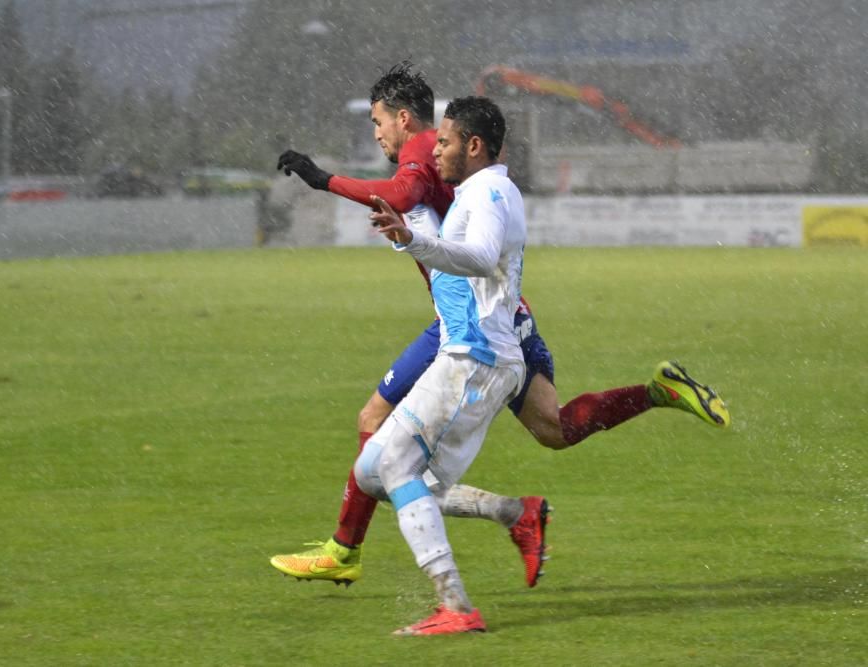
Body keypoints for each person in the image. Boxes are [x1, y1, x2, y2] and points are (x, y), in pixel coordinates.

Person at [271, 62, 729, 591]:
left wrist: (321, 179)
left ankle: (348, 549)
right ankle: (635, 411)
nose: (376, 134)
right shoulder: (432, 156)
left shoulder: (421, 149)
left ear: (404, 119)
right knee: (550, 429)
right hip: (471, 320)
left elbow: (398, 199)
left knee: (382, 428)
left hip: (482, 324)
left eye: (378, 122)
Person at [357, 95, 531, 634]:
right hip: (464, 356)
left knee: (396, 469)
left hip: (475, 360)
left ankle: (456, 606)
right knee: (373, 473)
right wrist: (413, 232)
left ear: (474, 147)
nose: (437, 150)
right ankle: (511, 512)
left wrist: (413, 239)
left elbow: (479, 257)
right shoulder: (476, 191)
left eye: (448, 142)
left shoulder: (491, 191)